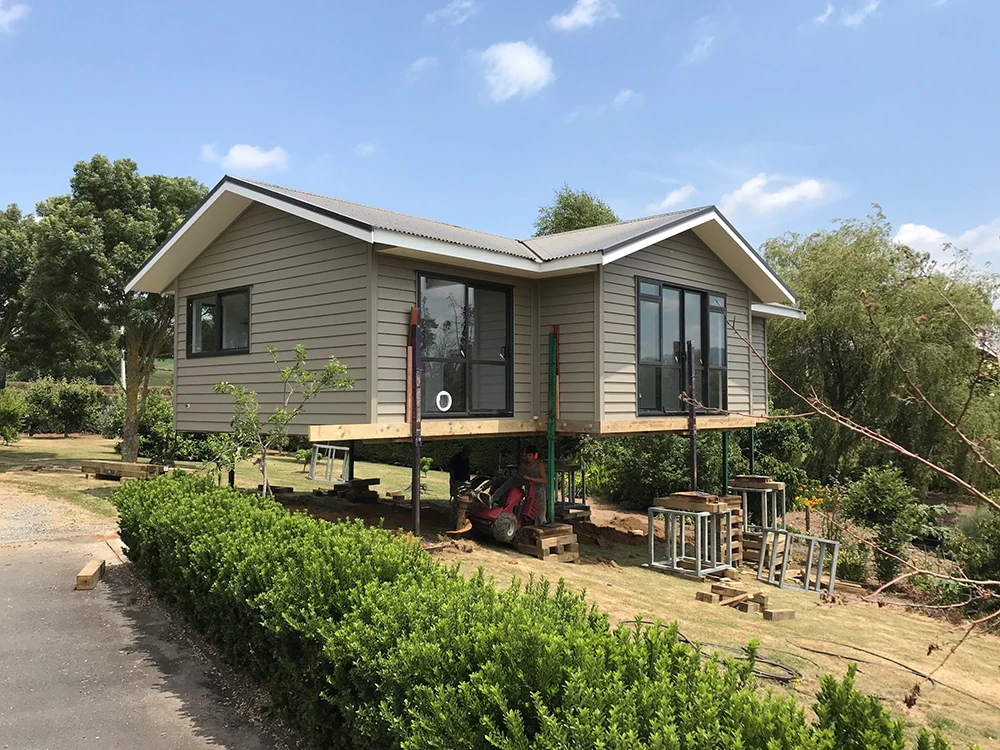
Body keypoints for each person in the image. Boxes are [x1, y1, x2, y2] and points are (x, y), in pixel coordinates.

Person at [520, 445, 547, 525]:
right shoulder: (523, 465)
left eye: (530, 455)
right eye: (527, 455)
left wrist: (530, 479)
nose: (528, 457)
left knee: (539, 516)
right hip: (527, 493)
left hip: (539, 493)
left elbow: (544, 480)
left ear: (535, 456)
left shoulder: (539, 465)